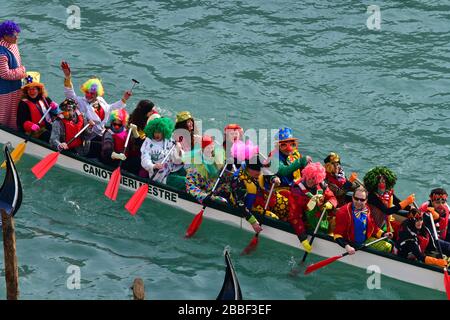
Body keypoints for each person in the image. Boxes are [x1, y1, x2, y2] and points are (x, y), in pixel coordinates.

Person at [60, 60, 131, 157]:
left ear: (97, 93)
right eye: (87, 92)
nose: (88, 95)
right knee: (102, 146)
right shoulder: (79, 101)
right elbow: (69, 93)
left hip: (101, 132)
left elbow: (111, 108)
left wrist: (124, 99)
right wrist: (68, 77)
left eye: (92, 93)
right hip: (87, 135)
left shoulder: (100, 101)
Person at [288, 162, 337, 252]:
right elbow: (294, 217)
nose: (310, 180)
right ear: (305, 175)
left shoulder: (322, 185)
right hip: (305, 223)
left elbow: (332, 197)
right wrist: (303, 238)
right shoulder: (296, 190)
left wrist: (330, 203)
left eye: (314, 178)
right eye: (309, 177)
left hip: (321, 220)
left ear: (318, 179)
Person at [334, 186, 393, 254]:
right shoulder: (343, 212)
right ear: (352, 198)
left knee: (389, 245)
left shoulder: (366, 208)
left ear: (366, 200)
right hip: (350, 243)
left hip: (365, 241)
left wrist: (384, 234)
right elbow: (337, 235)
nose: (359, 202)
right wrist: (347, 247)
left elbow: (373, 227)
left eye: (362, 200)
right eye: (356, 199)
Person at [230, 143, 280, 220]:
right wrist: (253, 221)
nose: (260, 173)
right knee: (274, 217)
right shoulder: (238, 179)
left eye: (260, 170)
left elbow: (268, 174)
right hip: (246, 208)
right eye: (257, 171)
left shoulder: (257, 171)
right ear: (248, 168)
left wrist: (274, 178)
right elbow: (239, 204)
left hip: (259, 200)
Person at [363, 166, 415, 237]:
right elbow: (387, 211)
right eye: (380, 182)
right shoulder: (372, 196)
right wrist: (405, 202)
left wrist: (410, 208)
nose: (383, 185)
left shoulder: (388, 192)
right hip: (372, 226)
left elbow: (397, 203)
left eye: (384, 182)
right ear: (374, 184)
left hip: (384, 223)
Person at [185, 135, 232, 204]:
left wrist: (230, 169)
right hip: (205, 194)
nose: (210, 150)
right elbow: (189, 185)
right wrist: (204, 197)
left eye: (211, 147)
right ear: (202, 148)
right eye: (207, 147)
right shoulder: (195, 165)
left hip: (217, 189)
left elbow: (225, 175)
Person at [140, 117, 184, 187]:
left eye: (159, 132)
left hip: (174, 168)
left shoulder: (169, 139)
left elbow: (176, 157)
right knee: (185, 181)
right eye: (155, 132)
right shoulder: (148, 142)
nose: (157, 134)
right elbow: (145, 159)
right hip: (160, 176)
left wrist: (179, 150)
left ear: (163, 132)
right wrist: (153, 166)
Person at [0, 20, 27, 129]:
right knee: (4, 114)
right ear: (4, 36)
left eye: (17, 35)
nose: (17, 38)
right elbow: (4, 74)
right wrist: (22, 72)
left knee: (15, 111)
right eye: (13, 36)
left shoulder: (13, 44)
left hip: (16, 86)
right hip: (5, 90)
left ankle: (14, 129)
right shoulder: (2, 53)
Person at [17, 73, 58, 142]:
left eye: (34, 89)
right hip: (35, 130)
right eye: (29, 89)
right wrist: (30, 125)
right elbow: (21, 122)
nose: (31, 92)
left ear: (39, 90)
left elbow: (55, 112)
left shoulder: (45, 98)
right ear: (26, 91)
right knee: (49, 136)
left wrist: (55, 108)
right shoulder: (23, 104)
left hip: (49, 125)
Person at [100, 109, 140, 174]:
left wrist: (135, 132)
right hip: (111, 160)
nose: (116, 127)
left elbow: (136, 145)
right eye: (114, 124)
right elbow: (107, 151)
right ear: (111, 122)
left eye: (119, 125)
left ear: (123, 124)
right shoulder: (109, 133)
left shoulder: (127, 131)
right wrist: (117, 155)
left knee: (138, 160)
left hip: (123, 158)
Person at [127, 99, 159, 177]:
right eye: (151, 110)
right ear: (145, 112)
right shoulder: (134, 124)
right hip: (137, 153)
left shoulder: (152, 116)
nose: (153, 112)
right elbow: (141, 144)